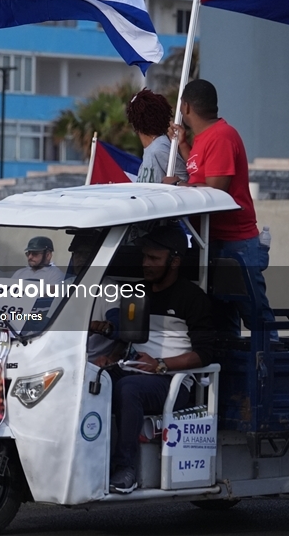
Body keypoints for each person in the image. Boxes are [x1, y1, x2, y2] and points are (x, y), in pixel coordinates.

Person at [107, 226, 215, 493]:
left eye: (154, 259)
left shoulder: (192, 298)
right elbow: (126, 338)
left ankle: (125, 469)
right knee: (88, 379)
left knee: (128, 389)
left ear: (175, 261)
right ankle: (87, 459)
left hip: (171, 381)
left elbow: (205, 353)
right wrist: (107, 359)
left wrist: (161, 364)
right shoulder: (137, 291)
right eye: (144, 257)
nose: (146, 264)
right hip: (135, 368)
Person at [165, 79, 274, 340]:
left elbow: (216, 190)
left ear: (186, 106)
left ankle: (271, 372)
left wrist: (178, 184)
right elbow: (201, 171)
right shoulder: (205, 139)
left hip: (235, 243)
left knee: (255, 318)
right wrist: (182, 145)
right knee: (222, 322)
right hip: (213, 241)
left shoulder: (222, 136)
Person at [126, 89, 187, 184]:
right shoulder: (151, 149)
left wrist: (177, 183)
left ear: (135, 124)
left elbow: (185, 179)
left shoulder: (160, 148)